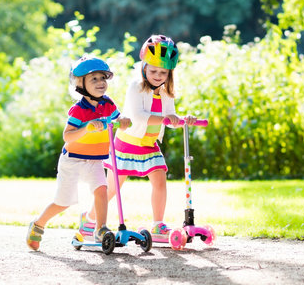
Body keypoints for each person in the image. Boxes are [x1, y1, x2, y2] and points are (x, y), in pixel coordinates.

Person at [78, 35, 197, 242]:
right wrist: (165, 118)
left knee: (160, 180)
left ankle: (158, 225)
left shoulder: (167, 92)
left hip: (149, 144)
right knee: (113, 188)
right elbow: (137, 117)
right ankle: (89, 220)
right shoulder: (136, 86)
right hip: (127, 143)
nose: (158, 75)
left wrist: (182, 120)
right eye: (153, 71)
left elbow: (170, 117)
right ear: (144, 67)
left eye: (163, 72)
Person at [26, 56, 131, 250]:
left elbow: (119, 119)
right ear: (80, 84)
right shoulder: (78, 110)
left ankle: (100, 229)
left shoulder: (108, 104)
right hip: (72, 160)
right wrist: (87, 128)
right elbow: (68, 136)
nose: (101, 83)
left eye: (103, 78)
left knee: (101, 191)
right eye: (94, 79)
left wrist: (124, 121)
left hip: (95, 161)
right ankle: (38, 224)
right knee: (63, 202)